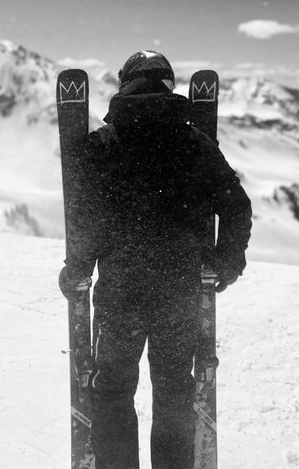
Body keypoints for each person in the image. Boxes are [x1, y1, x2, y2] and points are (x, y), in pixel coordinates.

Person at [59, 51, 252, 469]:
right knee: (174, 392)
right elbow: (236, 205)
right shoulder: (195, 144)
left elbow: (86, 217)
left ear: (124, 84)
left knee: (112, 392)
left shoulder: (102, 145)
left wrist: (77, 268)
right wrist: (226, 261)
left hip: (120, 296)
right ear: (169, 85)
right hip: (177, 296)